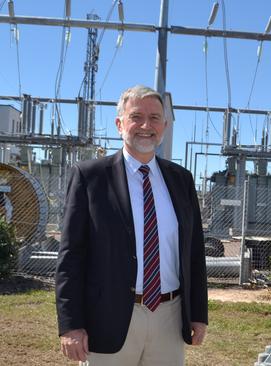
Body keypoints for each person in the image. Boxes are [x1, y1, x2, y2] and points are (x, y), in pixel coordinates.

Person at [55, 85, 208, 365]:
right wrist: (71, 325)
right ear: (119, 123)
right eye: (136, 116)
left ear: (164, 125)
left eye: (154, 118)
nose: (146, 126)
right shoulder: (91, 177)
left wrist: (198, 314)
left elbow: (194, 253)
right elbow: (71, 257)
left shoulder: (181, 180)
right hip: (107, 318)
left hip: (169, 317)